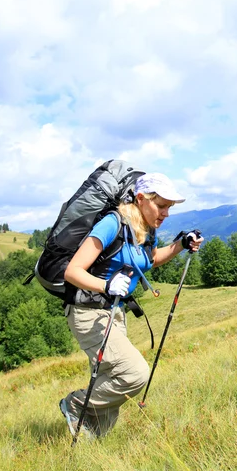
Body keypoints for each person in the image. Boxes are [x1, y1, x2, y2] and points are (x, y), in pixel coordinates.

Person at [59, 172, 203, 439]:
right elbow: (72, 271)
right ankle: (76, 404)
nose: (166, 214)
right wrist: (105, 285)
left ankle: (91, 445)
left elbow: (150, 259)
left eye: (169, 208)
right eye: (161, 206)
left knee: (111, 378)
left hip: (114, 312)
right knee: (133, 374)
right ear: (140, 199)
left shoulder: (147, 230)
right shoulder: (112, 224)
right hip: (88, 312)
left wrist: (180, 245)